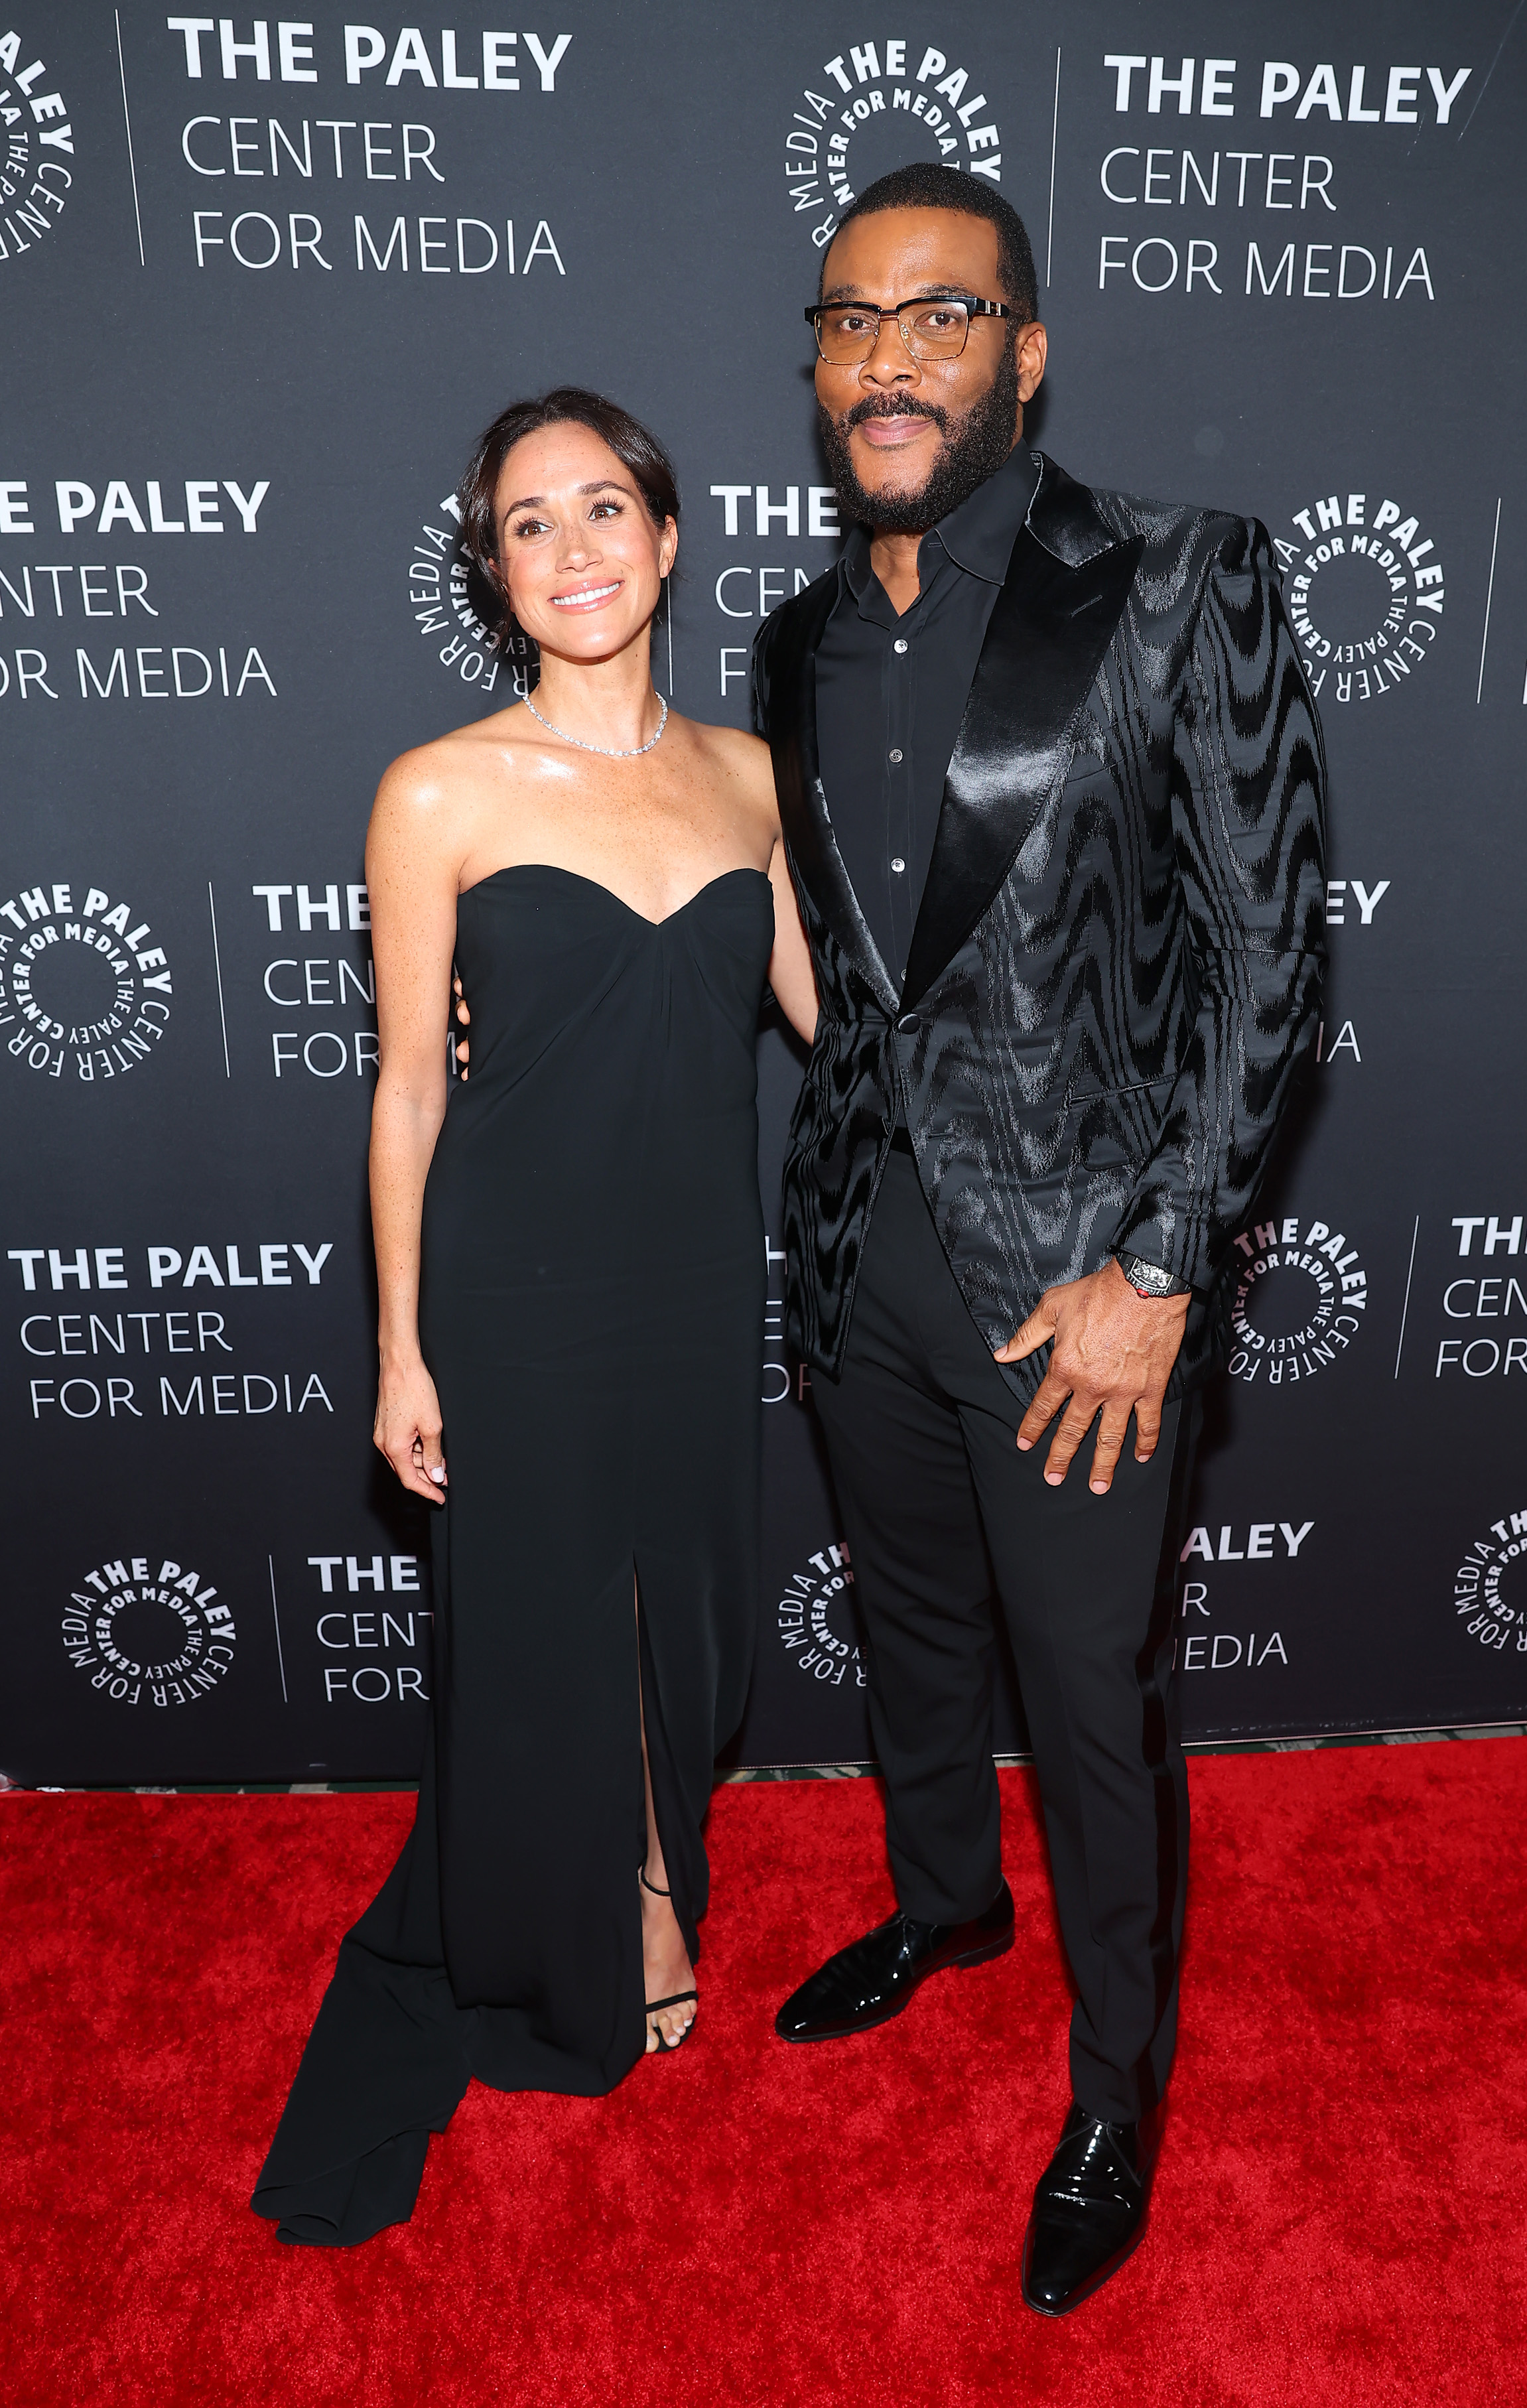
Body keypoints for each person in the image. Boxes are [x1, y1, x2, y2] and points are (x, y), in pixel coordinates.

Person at [753, 165, 1327, 2315]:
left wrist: (1164, 1264)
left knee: (1084, 1695)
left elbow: (1274, 948)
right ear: (813, 365)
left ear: (1025, 347)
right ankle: (938, 1902)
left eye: (939, 316)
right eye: (847, 321)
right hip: (862, 1244)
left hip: (1084, 1279)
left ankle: (1115, 2083)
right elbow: (833, 956)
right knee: (912, 1628)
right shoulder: (799, 632)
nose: (886, 356)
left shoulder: (1180, 581)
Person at [251, 389, 817, 2246]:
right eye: (525, 524)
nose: (572, 550)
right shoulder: (441, 788)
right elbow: (410, 1085)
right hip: (510, 1281)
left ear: (666, 539)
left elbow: (849, 1032)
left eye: (602, 510)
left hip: (687, 1269)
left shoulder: (751, 775)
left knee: (693, 1613)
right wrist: (401, 1347)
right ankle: (632, 1901)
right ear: (493, 575)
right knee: (542, 1627)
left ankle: (652, 1853)